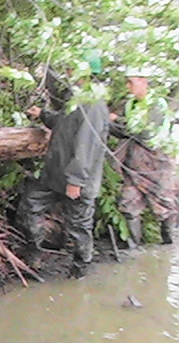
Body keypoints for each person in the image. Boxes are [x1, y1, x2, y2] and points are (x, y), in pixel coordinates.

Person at [19, 53, 110, 278]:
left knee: (79, 226)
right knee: (31, 205)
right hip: (55, 175)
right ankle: (35, 253)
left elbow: (86, 146)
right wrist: (43, 115)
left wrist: (76, 181)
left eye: (72, 68)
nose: (68, 71)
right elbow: (63, 123)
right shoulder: (76, 97)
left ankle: (80, 270)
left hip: (78, 180)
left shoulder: (93, 105)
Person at [109, 67, 176, 246]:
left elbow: (145, 133)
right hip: (134, 166)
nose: (128, 86)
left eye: (131, 81)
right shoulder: (131, 104)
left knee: (164, 208)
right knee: (128, 205)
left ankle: (168, 246)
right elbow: (123, 133)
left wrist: (118, 121)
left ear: (144, 81)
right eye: (127, 82)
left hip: (157, 165)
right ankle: (134, 248)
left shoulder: (156, 104)